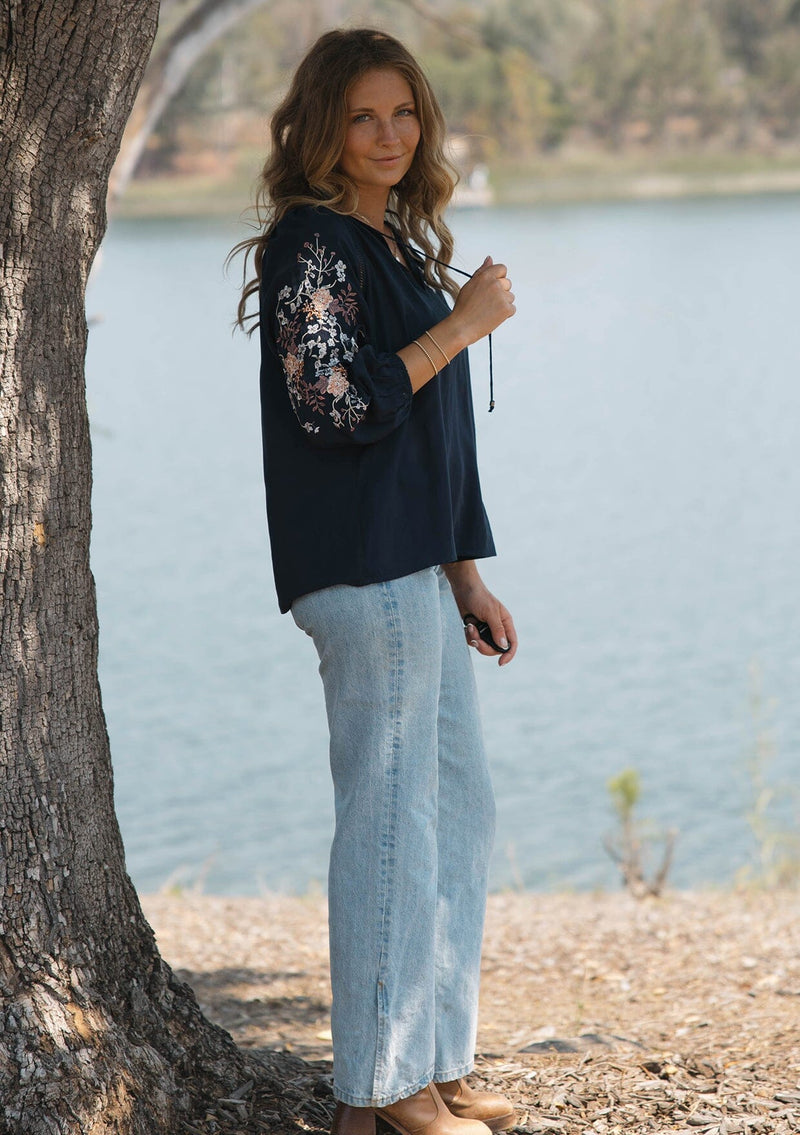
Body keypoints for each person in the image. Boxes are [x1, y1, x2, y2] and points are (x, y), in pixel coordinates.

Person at [233, 27, 518, 1135]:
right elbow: (335, 405)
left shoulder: (388, 246)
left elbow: (432, 444)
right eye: (363, 116)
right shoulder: (309, 244)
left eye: (403, 114)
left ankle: (430, 1066)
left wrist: (466, 573)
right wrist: (465, 324)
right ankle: (376, 1095)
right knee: (392, 825)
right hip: (358, 570)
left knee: (454, 813)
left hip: (417, 572)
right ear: (323, 129)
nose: (389, 135)